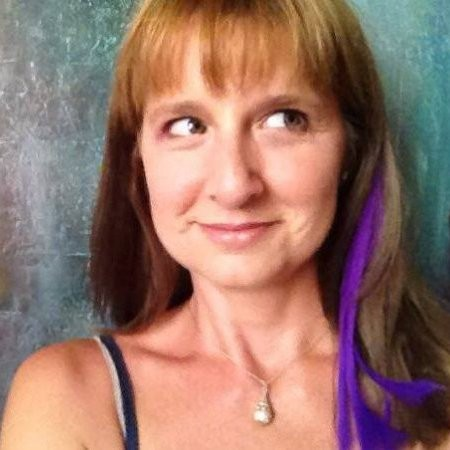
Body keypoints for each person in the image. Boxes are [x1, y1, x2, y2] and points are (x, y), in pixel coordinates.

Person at [1, 0, 449, 449]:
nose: (234, 186)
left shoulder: (439, 393)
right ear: (138, 160)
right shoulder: (69, 398)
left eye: (284, 119)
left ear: (351, 150)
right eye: (188, 125)